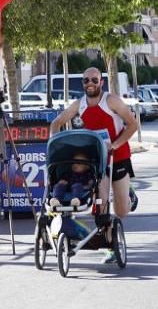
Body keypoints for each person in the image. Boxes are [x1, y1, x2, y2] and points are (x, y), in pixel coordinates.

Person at [50, 67, 139, 260]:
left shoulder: (111, 101)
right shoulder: (79, 104)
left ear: (101, 82)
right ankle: (109, 245)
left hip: (119, 155)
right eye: (86, 81)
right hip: (97, 160)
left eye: (94, 80)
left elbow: (133, 124)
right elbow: (56, 123)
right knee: (101, 202)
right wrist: (56, 146)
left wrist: (114, 144)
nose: (90, 84)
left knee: (122, 211)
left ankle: (128, 192)